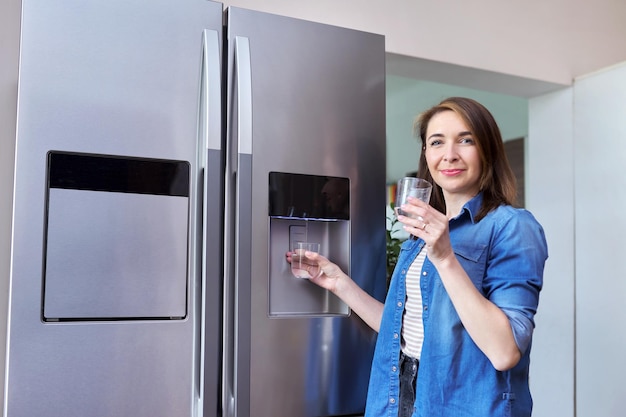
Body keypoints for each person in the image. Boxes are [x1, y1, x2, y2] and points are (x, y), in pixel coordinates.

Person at [286, 97, 548, 417]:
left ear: (488, 149)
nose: (449, 154)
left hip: (463, 405)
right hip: (399, 396)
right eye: (436, 142)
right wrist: (339, 282)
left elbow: (504, 352)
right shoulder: (422, 231)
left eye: (466, 140)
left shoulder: (512, 227)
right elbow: (401, 328)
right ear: (426, 153)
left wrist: (445, 257)